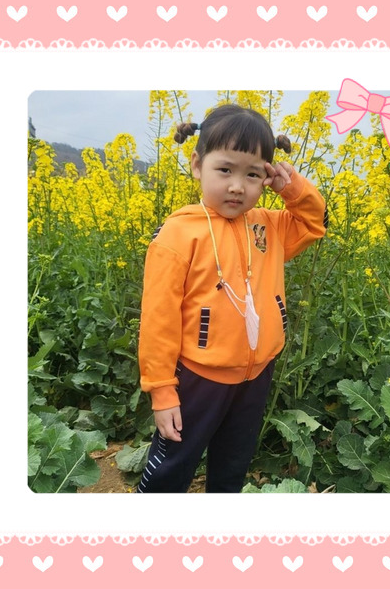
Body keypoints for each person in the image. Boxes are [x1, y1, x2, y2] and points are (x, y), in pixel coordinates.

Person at [137, 103, 327, 493]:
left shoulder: (268, 227)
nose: (238, 186)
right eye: (225, 170)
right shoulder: (177, 235)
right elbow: (158, 319)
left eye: (253, 174)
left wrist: (290, 186)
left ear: (267, 177)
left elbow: (314, 222)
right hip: (197, 378)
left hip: (256, 375)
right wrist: (162, 391)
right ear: (197, 165)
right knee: (173, 464)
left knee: (233, 464)